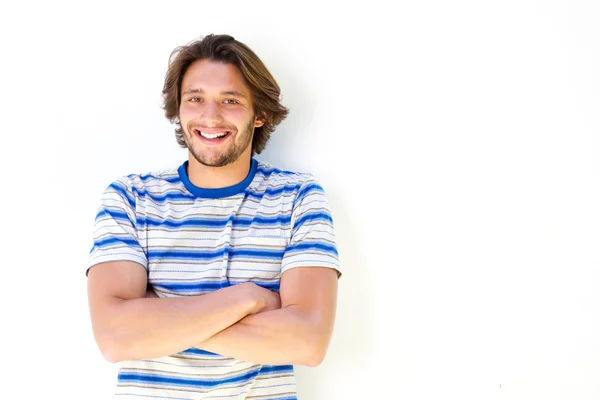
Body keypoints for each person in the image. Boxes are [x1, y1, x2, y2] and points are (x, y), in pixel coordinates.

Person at [86, 34, 341, 399]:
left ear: (261, 114)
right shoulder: (131, 199)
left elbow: (307, 342)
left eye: (231, 100)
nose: (210, 116)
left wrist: (158, 323)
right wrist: (248, 298)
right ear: (179, 107)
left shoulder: (297, 198)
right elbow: (114, 338)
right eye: (195, 98)